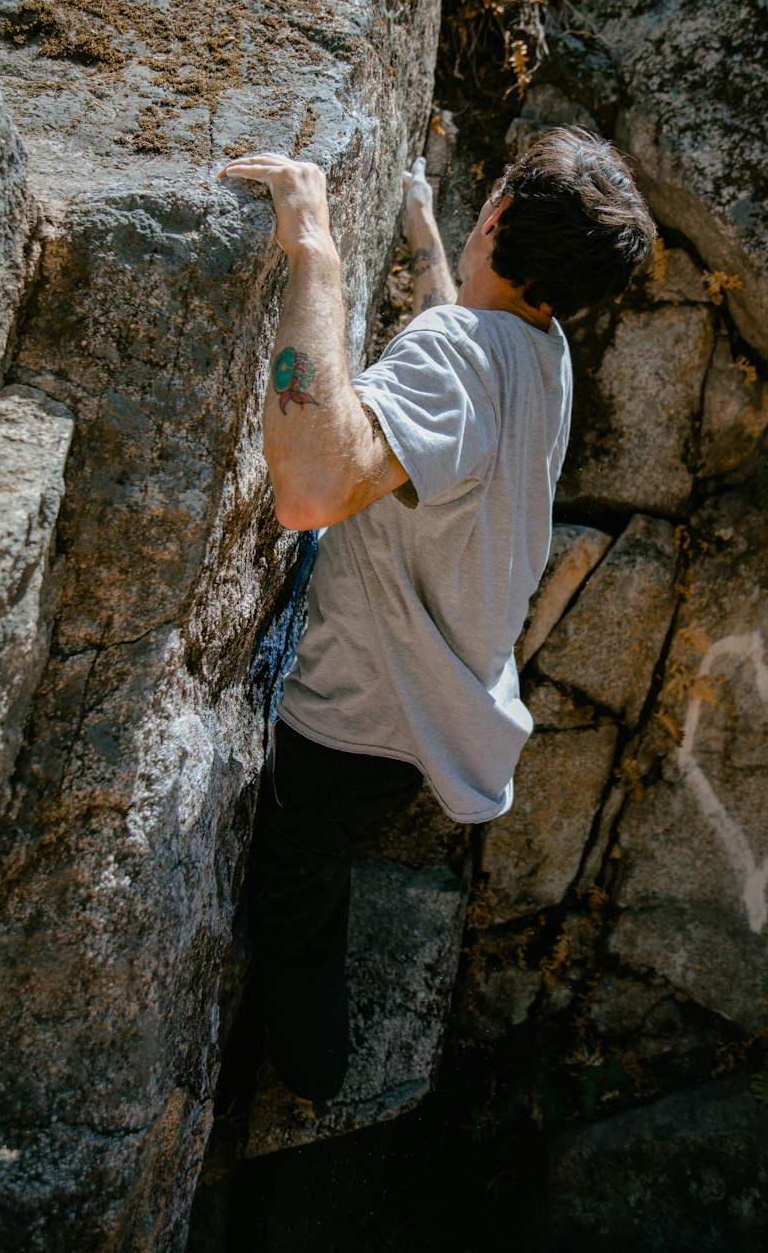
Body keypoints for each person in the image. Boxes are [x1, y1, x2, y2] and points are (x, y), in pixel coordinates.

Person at [218, 127, 655, 1112]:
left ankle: (305, 1087)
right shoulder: (543, 351)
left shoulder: (464, 352)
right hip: (415, 723)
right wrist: (423, 240)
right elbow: (454, 369)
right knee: (316, 887)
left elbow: (313, 486)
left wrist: (315, 249)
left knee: (293, 922)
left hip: (340, 728)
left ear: (496, 215)